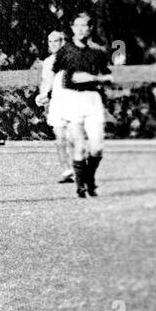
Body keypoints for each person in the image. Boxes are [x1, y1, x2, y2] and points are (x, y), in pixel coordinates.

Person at [51, 12, 113, 198]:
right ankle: (81, 187)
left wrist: (100, 79)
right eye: (77, 25)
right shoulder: (65, 51)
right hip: (72, 99)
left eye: (84, 25)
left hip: (93, 100)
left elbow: (108, 76)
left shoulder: (98, 53)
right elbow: (66, 78)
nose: (80, 29)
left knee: (96, 148)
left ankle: (89, 179)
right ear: (72, 28)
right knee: (79, 145)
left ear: (90, 28)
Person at [35, 30, 75, 183]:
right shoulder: (47, 62)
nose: (52, 45)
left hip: (70, 101)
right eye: (50, 42)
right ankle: (67, 170)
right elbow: (46, 83)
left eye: (56, 41)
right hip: (55, 104)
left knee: (72, 137)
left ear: (62, 42)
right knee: (60, 138)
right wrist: (42, 97)